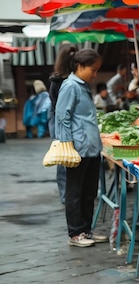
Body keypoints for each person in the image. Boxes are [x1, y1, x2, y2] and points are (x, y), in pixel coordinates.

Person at [55, 48, 108, 247]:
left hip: (92, 148)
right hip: (77, 149)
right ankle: (76, 233)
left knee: (89, 192)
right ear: (79, 66)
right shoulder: (70, 86)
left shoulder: (83, 86)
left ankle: (86, 230)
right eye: (92, 70)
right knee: (75, 192)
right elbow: (62, 117)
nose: (95, 75)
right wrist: (67, 145)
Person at [48, 44, 74, 205]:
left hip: (67, 120)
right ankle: (65, 194)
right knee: (63, 156)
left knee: (70, 158)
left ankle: (69, 192)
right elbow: (59, 108)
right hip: (60, 121)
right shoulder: (57, 81)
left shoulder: (74, 79)